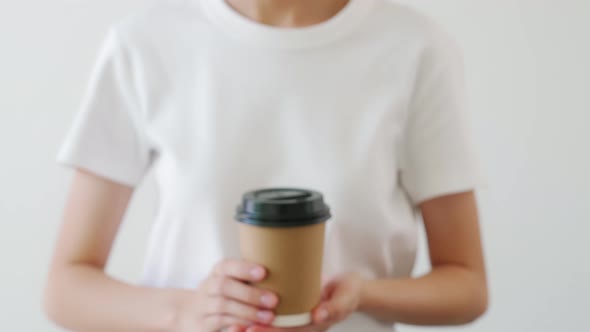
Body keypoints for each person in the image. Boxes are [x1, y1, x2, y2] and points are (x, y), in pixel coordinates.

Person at [44, 0, 488, 331]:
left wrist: (358, 294)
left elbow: (466, 285)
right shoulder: (145, 43)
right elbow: (66, 288)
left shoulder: (413, 48)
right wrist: (187, 311)